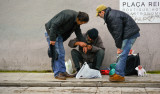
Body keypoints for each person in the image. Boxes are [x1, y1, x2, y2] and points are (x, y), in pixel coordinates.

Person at [96, 4, 140, 82]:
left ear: (102, 12)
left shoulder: (112, 16)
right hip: (128, 34)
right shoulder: (111, 15)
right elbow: (116, 33)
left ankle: (119, 75)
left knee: (122, 54)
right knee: (121, 54)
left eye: (99, 15)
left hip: (129, 34)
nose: (99, 17)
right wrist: (119, 46)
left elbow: (117, 33)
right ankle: (118, 72)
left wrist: (119, 47)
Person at [45, 9, 89, 80]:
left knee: (62, 53)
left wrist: (85, 44)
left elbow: (78, 33)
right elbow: (54, 25)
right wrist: (52, 39)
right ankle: (57, 73)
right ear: (79, 19)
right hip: (51, 32)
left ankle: (62, 72)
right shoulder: (68, 15)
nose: (81, 24)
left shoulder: (76, 22)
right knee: (57, 53)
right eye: (82, 23)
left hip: (58, 34)